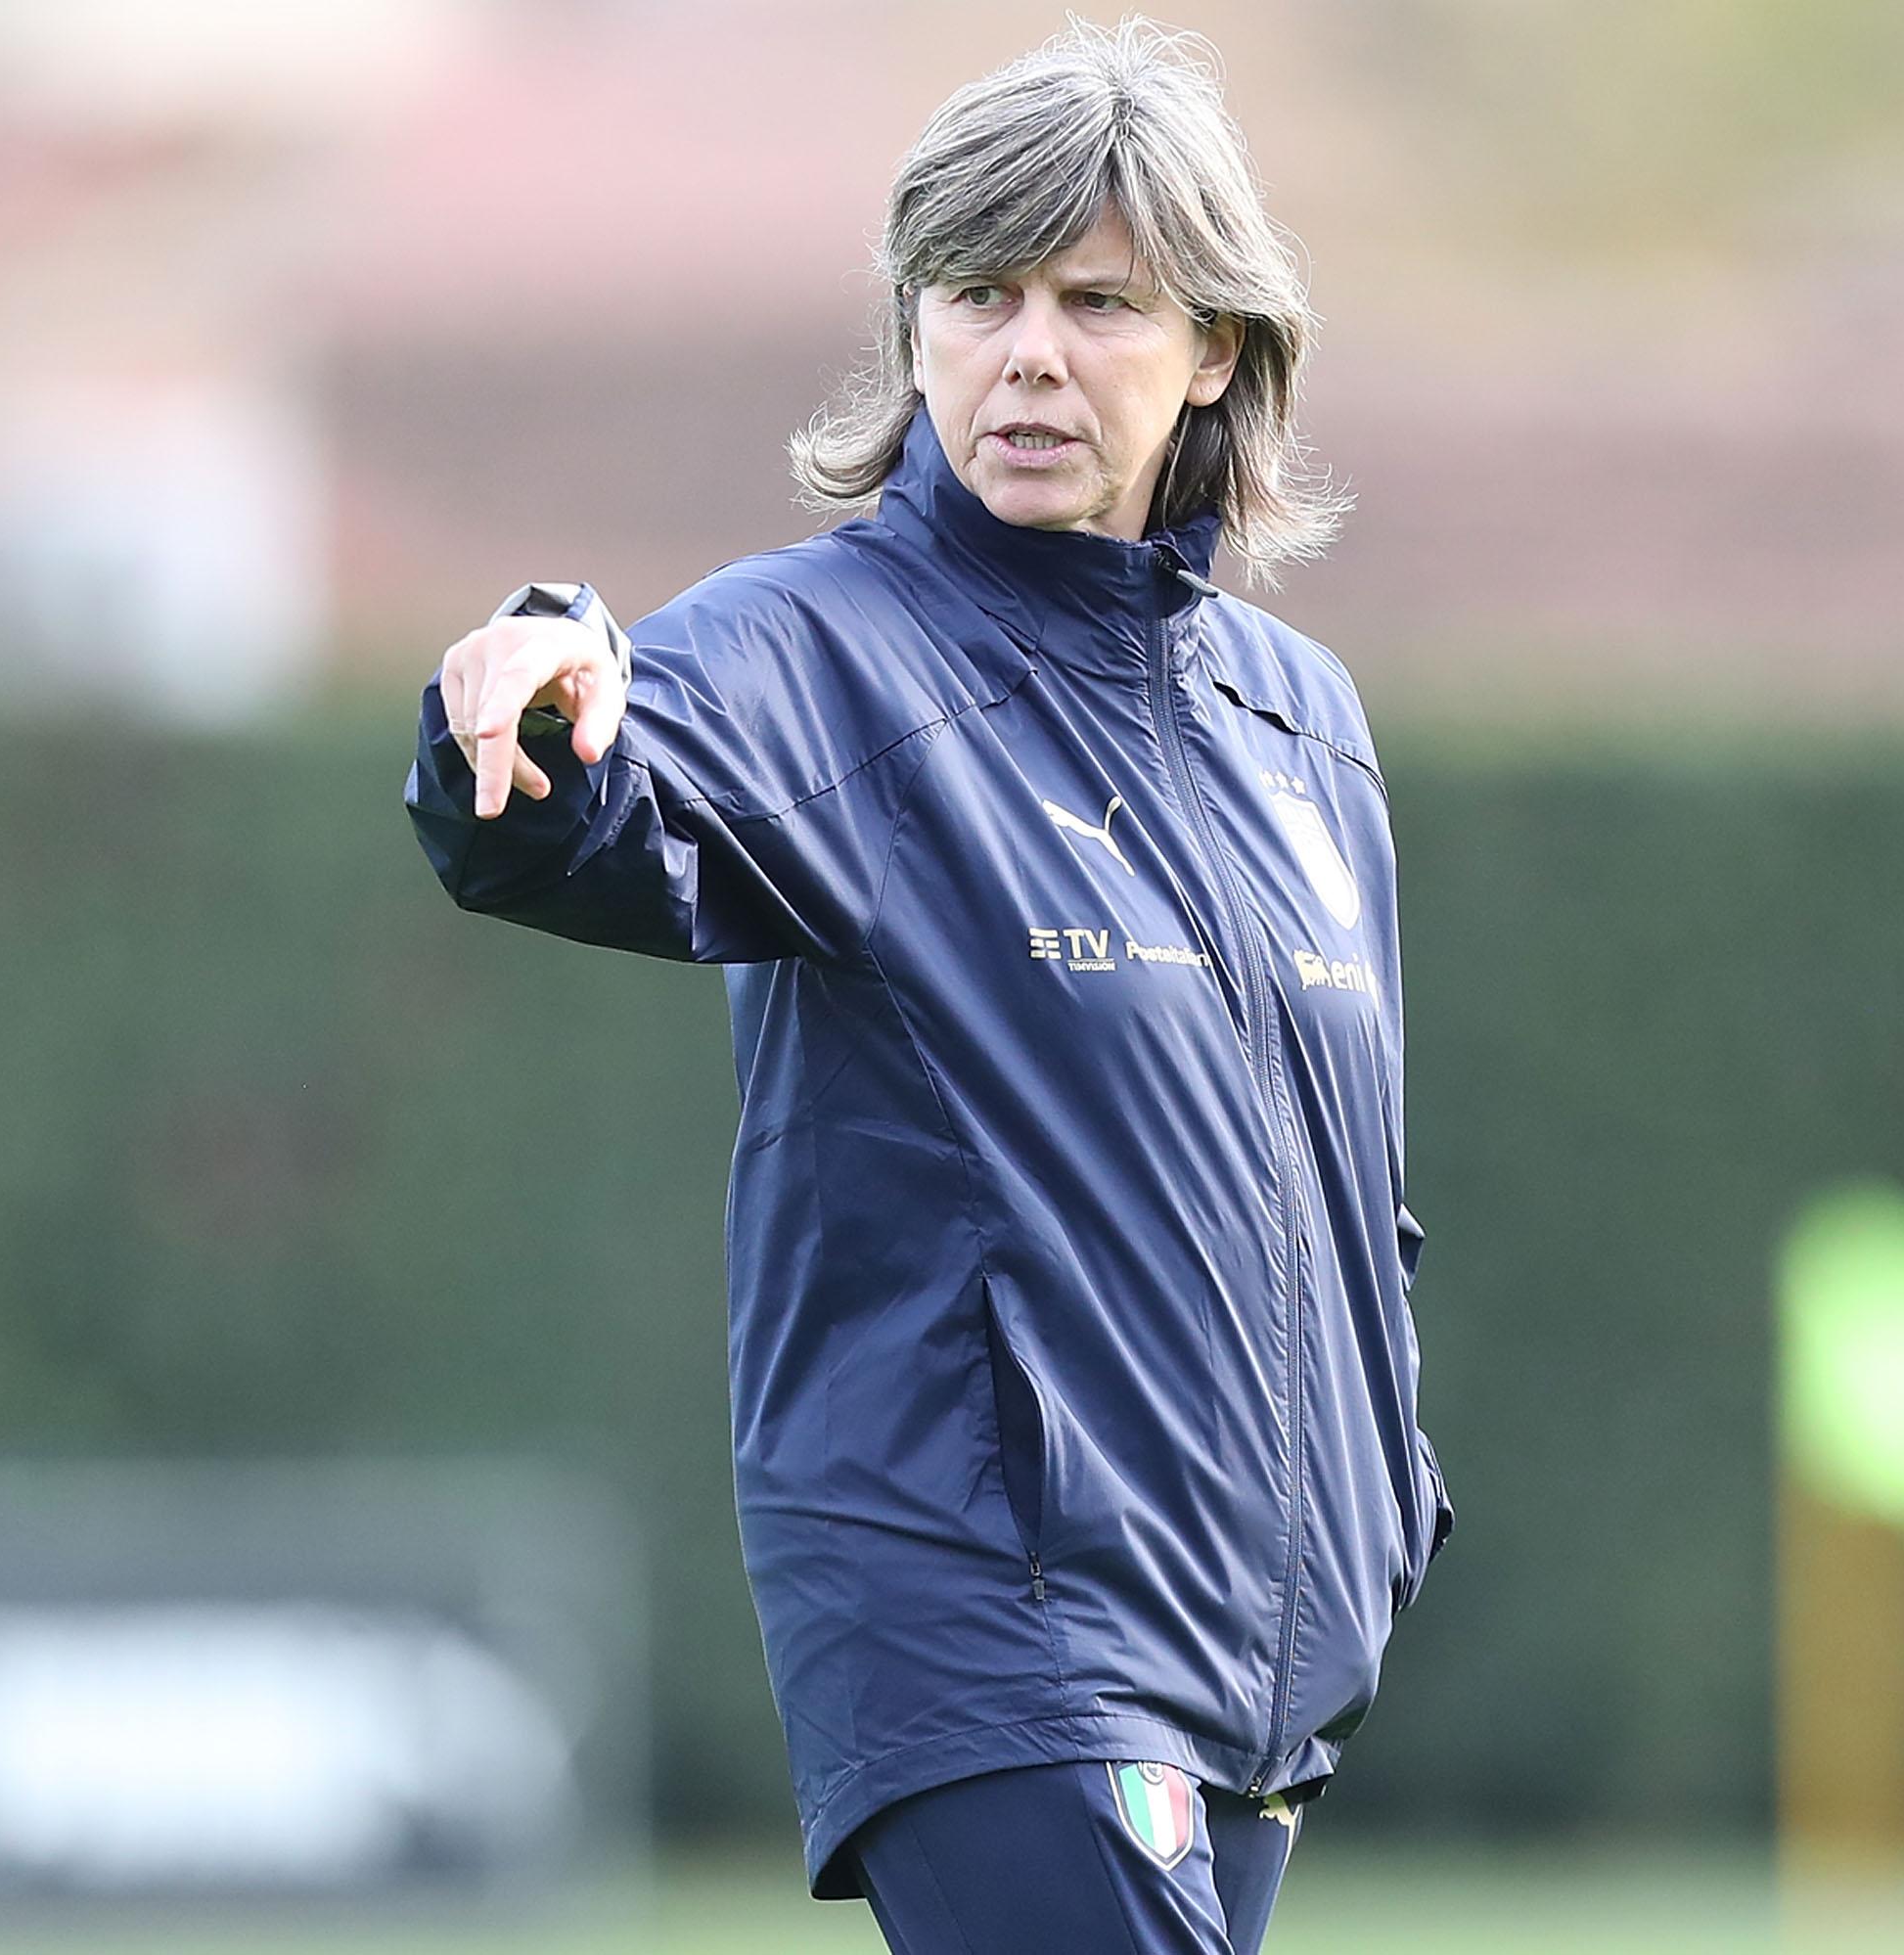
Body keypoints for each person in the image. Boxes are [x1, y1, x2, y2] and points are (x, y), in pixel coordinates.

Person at [405, 20, 1449, 1954]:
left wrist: (1380, 1506)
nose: (1027, 353)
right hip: (991, 1631)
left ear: (1212, 347)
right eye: (975, 295)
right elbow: (613, 776)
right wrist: (542, 693)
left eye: (1097, 302)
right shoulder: (832, 658)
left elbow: (1343, 1190)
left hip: (1256, 1660)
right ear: (912, 331)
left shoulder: (1303, 727)